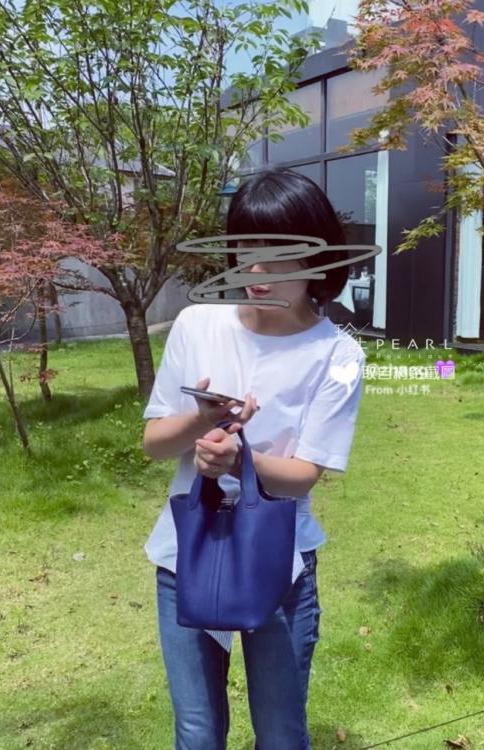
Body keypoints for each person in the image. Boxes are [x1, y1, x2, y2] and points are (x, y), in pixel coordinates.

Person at [141, 168, 367, 750]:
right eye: (246, 250)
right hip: (187, 554)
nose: (257, 271)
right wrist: (200, 421)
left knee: (281, 734)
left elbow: (302, 477)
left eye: (279, 253)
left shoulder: (336, 354)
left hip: (279, 560)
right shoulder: (197, 324)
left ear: (318, 258)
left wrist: (241, 458)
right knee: (197, 734)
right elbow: (155, 443)